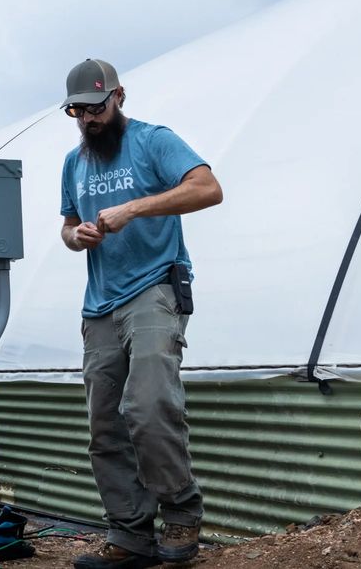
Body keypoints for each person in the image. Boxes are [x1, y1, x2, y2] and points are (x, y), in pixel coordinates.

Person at [59, 59, 223, 569]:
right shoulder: (74, 162)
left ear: (119, 97)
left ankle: (180, 509)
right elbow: (67, 228)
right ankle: (129, 536)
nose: (87, 119)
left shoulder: (155, 141)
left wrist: (135, 208)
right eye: (76, 111)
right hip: (99, 303)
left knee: (149, 405)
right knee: (104, 425)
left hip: (155, 287)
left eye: (94, 107)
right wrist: (76, 235)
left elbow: (208, 188)